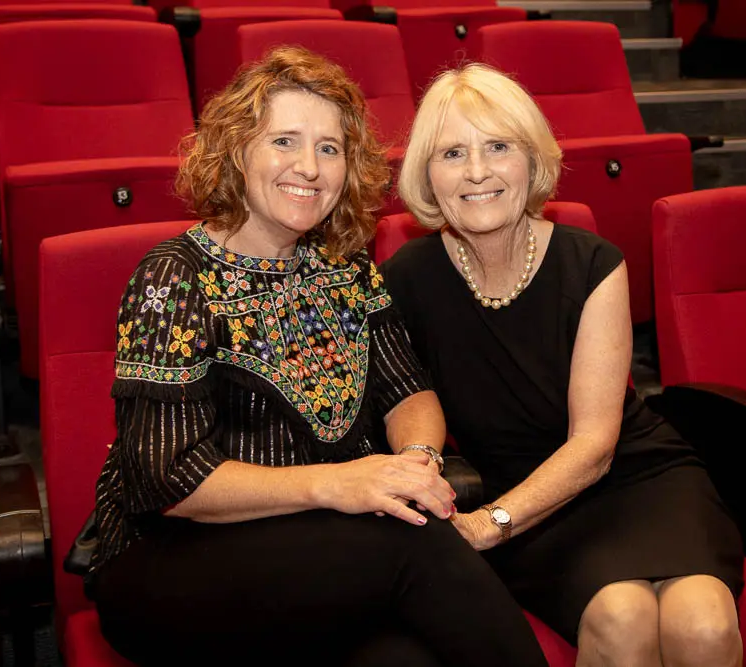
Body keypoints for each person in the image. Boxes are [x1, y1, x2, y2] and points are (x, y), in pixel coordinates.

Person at [88, 48, 549, 667]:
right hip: (174, 557)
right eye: (284, 141)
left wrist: (416, 462)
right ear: (236, 151)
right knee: (418, 545)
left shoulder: (345, 264)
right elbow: (166, 480)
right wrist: (340, 483)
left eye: (329, 148)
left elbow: (406, 388)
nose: (308, 167)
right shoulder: (173, 278)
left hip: (324, 544)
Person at [382, 63, 746, 667]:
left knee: (703, 625)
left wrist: (487, 525)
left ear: (532, 160)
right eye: (452, 153)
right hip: (527, 500)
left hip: (636, 476)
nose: (477, 171)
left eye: (498, 147)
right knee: (622, 621)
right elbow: (396, 403)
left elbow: (595, 446)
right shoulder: (405, 279)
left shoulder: (592, 262)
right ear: (427, 174)